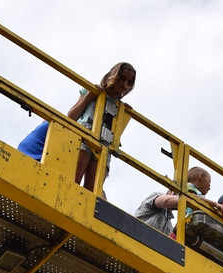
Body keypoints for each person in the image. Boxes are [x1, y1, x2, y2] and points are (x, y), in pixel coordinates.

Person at [17, 62, 136, 190]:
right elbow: (71, 116)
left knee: (92, 189)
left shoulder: (121, 107)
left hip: (105, 142)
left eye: (129, 82)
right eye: (122, 79)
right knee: (74, 180)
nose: (125, 85)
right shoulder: (93, 90)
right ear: (114, 75)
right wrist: (89, 96)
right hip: (85, 132)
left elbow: (116, 136)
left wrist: (123, 116)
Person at [134, 167, 223, 236]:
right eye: (179, 192)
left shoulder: (169, 227)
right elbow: (167, 200)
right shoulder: (154, 197)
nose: (180, 195)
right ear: (169, 191)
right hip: (134, 234)